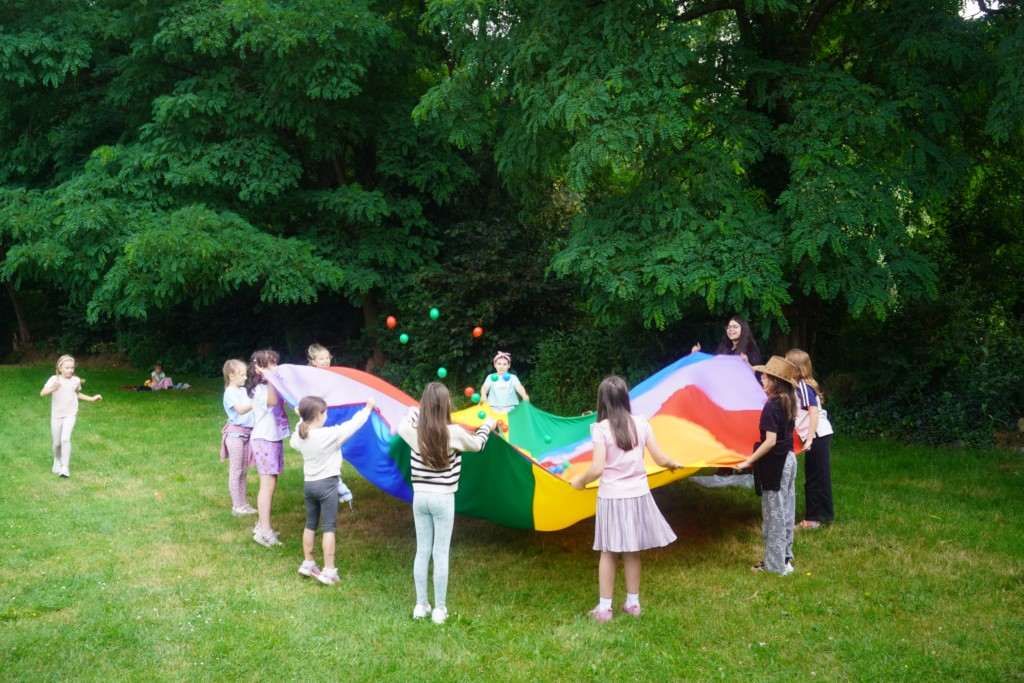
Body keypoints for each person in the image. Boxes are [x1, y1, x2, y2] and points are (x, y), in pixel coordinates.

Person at [570, 376, 681, 622]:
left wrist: (580, 481)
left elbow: (597, 468)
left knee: (608, 551)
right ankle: (633, 604)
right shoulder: (641, 423)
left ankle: (604, 609)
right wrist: (672, 463)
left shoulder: (601, 429)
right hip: (637, 495)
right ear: (625, 397)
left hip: (612, 497)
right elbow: (661, 458)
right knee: (632, 551)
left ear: (602, 401)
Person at [397, 382, 496, 624]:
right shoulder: (454, 433)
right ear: (446, 405)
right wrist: (488, 425)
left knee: (422, 551)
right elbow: (478, 444)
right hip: (443, 499)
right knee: (440, 553)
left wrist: (414, 411)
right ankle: (439, 610)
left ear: (424, 406)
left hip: (420, 498)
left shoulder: (411, 430)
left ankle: (421, 605)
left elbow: (404, 421)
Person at [290, 395, 375, 585]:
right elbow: (352, 426)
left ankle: (308, 563)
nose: (327, 416)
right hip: (327, 485)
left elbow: (296, 437)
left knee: (310, 523)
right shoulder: (329, 435)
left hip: (309, 485)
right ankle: (329, 571)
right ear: (319, 415)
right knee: (329, 527)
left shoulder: (300, 436)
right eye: (326, 413)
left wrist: (301, 420)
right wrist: (368, 408)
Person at [736, 356, 798, 575]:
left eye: (765, 376)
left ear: (774, 381)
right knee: (786, 510)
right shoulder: (788, 402)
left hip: (776, 465)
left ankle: (775, 565)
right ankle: (785, 557)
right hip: (789, 460)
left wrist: (748, 461)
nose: (761, 378)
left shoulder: (771, 407)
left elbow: (770, 441)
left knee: (774, 514)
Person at [786, 349, 835, 530]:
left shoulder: (803, 387)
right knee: (819, 475)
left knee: (815, 478)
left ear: (796, 367)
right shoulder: (797, 387)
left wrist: (809, 439)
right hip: (817, 436)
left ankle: (813, 519)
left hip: (817, 436)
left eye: (787, 362)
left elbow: (813, 413)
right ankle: (823, 514)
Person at [248, 349, 290, 548]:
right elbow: (272, 402)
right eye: (271, 364)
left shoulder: (269, 385)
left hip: (273, 438)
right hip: (264, 440)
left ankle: (262, 525)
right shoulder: (258, 390)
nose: (275, 367)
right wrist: (272, 377)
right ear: (260, 368)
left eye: (275, 363)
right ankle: (264, 532)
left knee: (271, 483)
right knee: (267, 486)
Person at [40, 355, 102, 478]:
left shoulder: (76, 380)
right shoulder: (54, 379)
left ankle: (65, 467)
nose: (70, 370)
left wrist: (92, 399)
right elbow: (42, 393)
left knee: (65, 439)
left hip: (70, 413)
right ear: (60, 368)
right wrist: (53, 388)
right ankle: (57, 460)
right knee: (57, 443)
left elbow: (77, 394)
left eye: (72, 368)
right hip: (57, 415)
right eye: (67, 368)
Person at [307, 343, 353, 507]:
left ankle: (335, 481)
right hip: (318, 419)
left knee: (333, 450)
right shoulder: (312, 377)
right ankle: (332, 484)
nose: (326, 361)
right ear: (313, 361)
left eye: (327, 358)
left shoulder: (332, 375)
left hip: (330, 417)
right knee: (324, 451)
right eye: (321, 358)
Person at [220, 359, 256, 516]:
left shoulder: (242, 391)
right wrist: (257, 401)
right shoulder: (230, 392)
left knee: (243, 472)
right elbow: (240, 410)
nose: (245, 378)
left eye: (245, 374)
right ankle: (236, 506)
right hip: (235, 436)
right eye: (242, 375)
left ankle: (243, 503)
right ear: (231, 375)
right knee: (236, 471)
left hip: (246, 434)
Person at [691, 315, 763, 366]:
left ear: (743, 329)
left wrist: (746, 363)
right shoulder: (724, 347)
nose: (731, 329)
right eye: (729, 327)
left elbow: (755, 373)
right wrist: (697, 354)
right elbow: (712, 362)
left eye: (735, 327)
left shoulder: (751, 349)